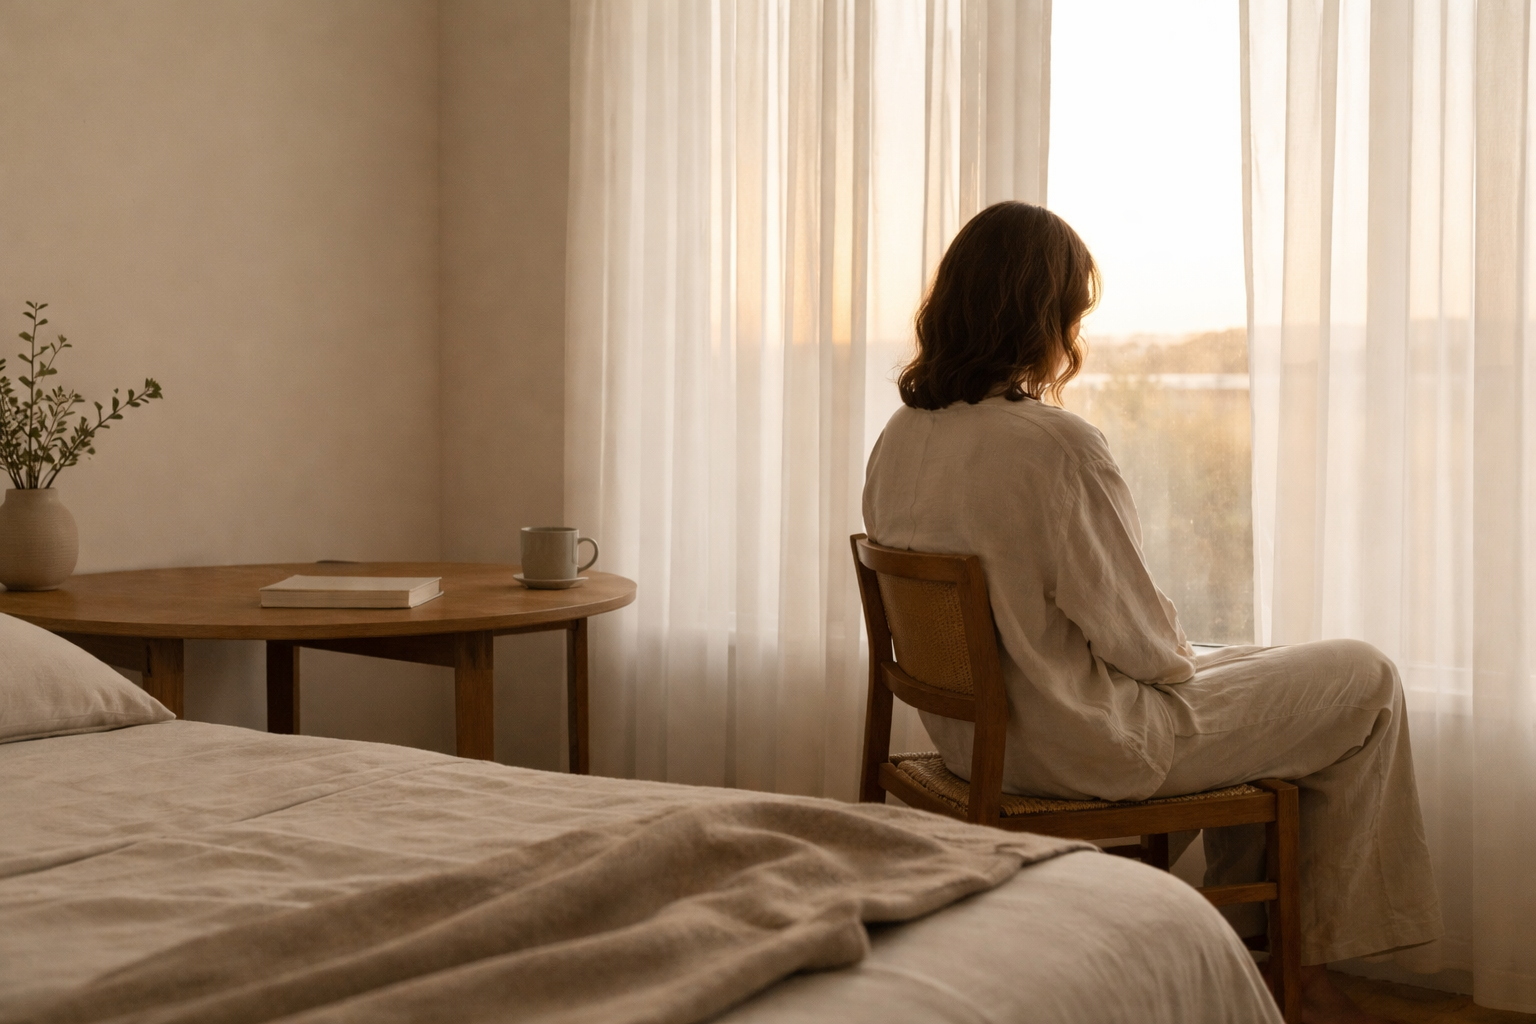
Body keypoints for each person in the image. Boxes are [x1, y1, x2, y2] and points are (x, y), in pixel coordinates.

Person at [862, 201, 1443, 1024]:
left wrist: (1192, 658)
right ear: (1042, 316)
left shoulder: (899, 436)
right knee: (1364, 680)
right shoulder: (1054, 446)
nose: (1077, 337)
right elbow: (1147, 646)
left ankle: (1249, 954)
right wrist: (1182, 653)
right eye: (1074, 316)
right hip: (1084, 746)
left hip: (972, 743)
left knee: (1268, 683)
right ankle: (1290, 970)